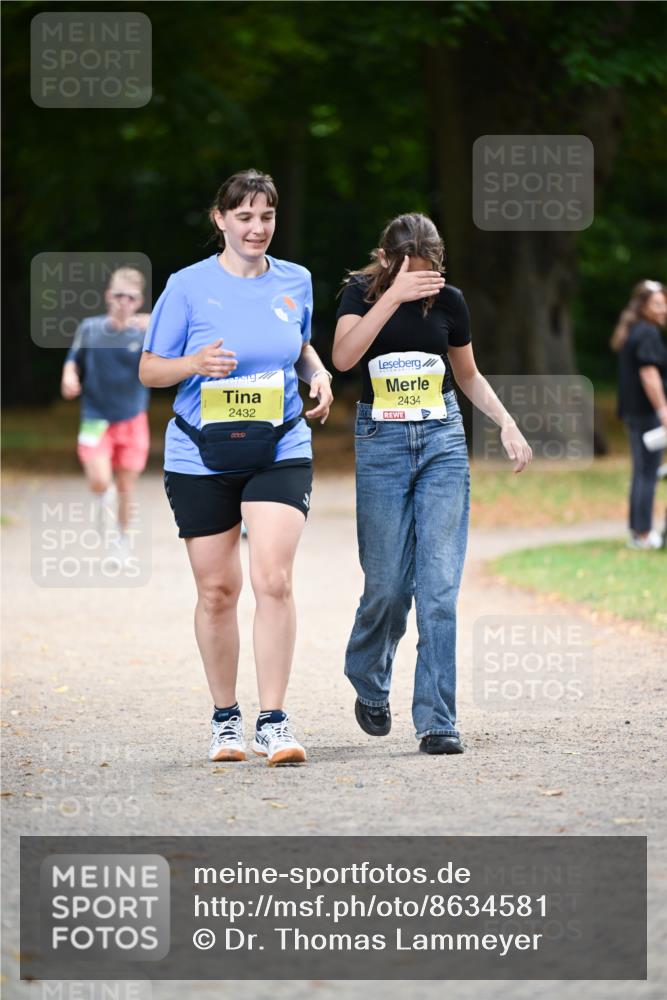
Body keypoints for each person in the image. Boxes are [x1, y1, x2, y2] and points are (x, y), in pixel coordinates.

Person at [139, 169, 333, 766]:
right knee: (218, 590)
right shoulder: (188, 287)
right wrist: (193, 361)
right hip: (200, 452)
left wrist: (317, 371)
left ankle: (273, 721)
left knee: (273, 579)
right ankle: (226, 722)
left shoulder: (295, 281)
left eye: (266, 216)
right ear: (220, 220)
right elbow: (150, 369)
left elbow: (297, 346)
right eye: (244, 216)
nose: (257, 228)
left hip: (279, 445)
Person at [332, 213, 532, 756]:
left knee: (438, 589)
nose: (424, 280)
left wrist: (506, 422)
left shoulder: (450, 301)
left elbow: (466, 373)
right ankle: (369, 677)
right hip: (382, 442)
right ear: (386, 258)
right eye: (410, 269)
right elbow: (345, 358)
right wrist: (393, 296)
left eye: (430, 270)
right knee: (387, 586)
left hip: (442, 440)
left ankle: (437, 719)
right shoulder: (358, 293)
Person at [61, 266, 151, 551]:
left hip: (132, 418)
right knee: (100, 480)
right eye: (118, 295)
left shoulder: (148, 332)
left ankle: (121, 540)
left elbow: (178, 348)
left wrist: (157, 325)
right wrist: (69, 376)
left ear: (139, 301)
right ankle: (102, 497)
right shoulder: (90, 328)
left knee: (126, 486)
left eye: (131, 298)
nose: (123, 302)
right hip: (95, 418)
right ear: (108, 296)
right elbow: (73, 359)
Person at [611, 279, 667, 549]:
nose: (663, 310)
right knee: (648, 471)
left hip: (634, 414)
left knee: (642, 472)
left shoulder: (633, 331)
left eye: (664, 304)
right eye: (657, 304)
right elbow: (649, 374)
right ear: (643, 305)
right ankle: (643, 534)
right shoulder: (647, 333)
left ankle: (638, 532)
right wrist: (663, 409)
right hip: (646, 414)